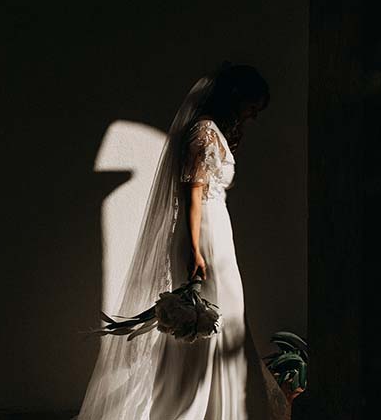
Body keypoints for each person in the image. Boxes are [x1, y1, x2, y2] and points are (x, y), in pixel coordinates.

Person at [78, 63, 288, 420]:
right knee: (213, 319)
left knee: (229, 318)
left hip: (216, 230)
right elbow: (192, 192)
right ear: (236, 97)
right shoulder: (203, 131)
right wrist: (194, 249)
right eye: (252, 106)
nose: (253, 115)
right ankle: (195, 407)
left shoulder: (213, 131)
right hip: (203, 233)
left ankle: (226, 407)